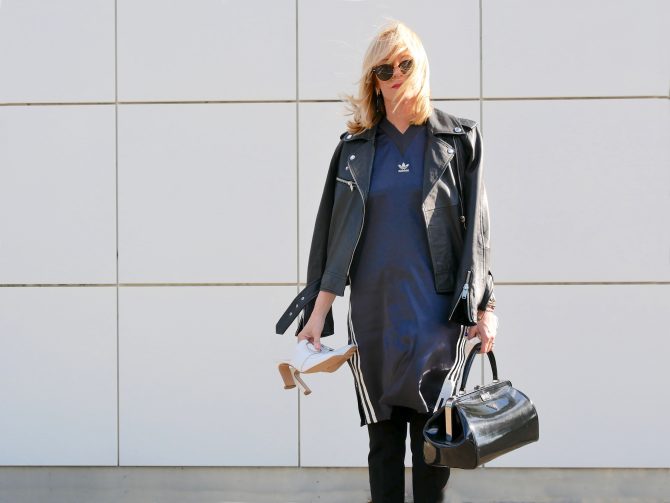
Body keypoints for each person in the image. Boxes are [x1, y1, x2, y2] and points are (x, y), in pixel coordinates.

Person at [275, 20, 498, 503]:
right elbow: (333, 242)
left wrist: (487, 308)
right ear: (372, 81)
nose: (396, 75)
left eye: (405, 64)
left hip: (439, 319)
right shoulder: (353, 151)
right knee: (382, 444)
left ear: (420, 67)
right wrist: (316, 316)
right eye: (384, 69)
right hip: (374, 316)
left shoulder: (459, 139)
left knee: (434, 446)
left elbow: (477, 237)